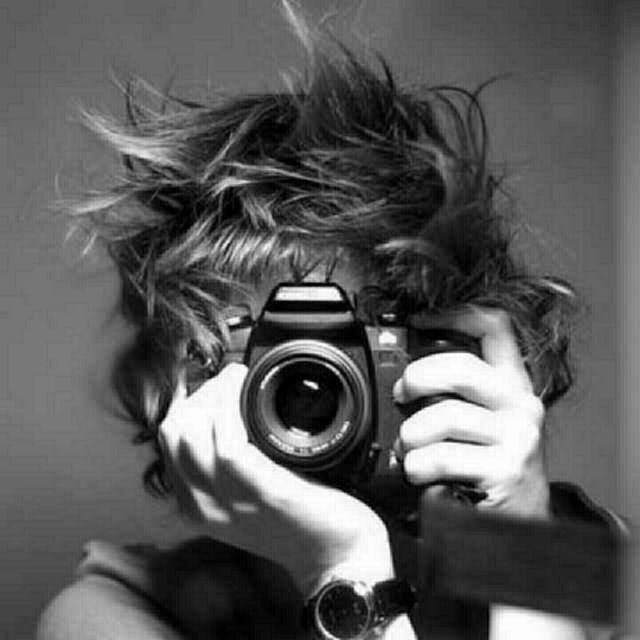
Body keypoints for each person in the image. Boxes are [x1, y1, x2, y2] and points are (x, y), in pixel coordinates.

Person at [36, 5, 623, 639]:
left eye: (359, 340)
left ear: (459, 353)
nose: (309, 390)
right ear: (180, 380)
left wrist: (520, 542)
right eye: (264, 347)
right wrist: (344, 569)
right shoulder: (121, 613)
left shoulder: (603, 568)